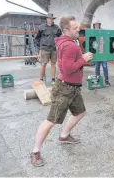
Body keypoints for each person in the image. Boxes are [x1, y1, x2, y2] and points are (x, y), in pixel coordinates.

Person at [30, 16, 93, 167]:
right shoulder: (70, 45)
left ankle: (64, 135)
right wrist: (83, 59)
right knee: (51, 121)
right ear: (66, 30)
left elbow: (68, 63)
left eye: (78, 27)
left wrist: (81, 58)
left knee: (80, 112)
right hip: (65, 88)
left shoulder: (66, 42)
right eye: (75, 28)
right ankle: (35, 152)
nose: (78, 30)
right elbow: (67, 68)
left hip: (73, 87)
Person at [35, 13, 62, 85]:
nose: (51, 20)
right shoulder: (41, 27)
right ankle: (41, 80)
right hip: (44, 48)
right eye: (49, 18)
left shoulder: (57, 28)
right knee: (43, 64)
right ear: (47, 19)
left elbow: (60, 38)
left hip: (54, 49)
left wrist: (58, 47)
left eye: (52, 19)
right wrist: (39, 49)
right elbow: (37, 39)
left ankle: (53, 80)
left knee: (53, 64)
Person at [92, 22, 111, 86]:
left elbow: (106, 41)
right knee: (97, 67)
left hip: (103, 54)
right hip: (97, 54)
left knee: (105, 67)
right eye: (95, 25)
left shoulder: (103, 32)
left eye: (98, 24)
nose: (97, 26)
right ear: (94, 25)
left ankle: (106, 81)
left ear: (99, 25)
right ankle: (98, 81)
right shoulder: (92, 33)